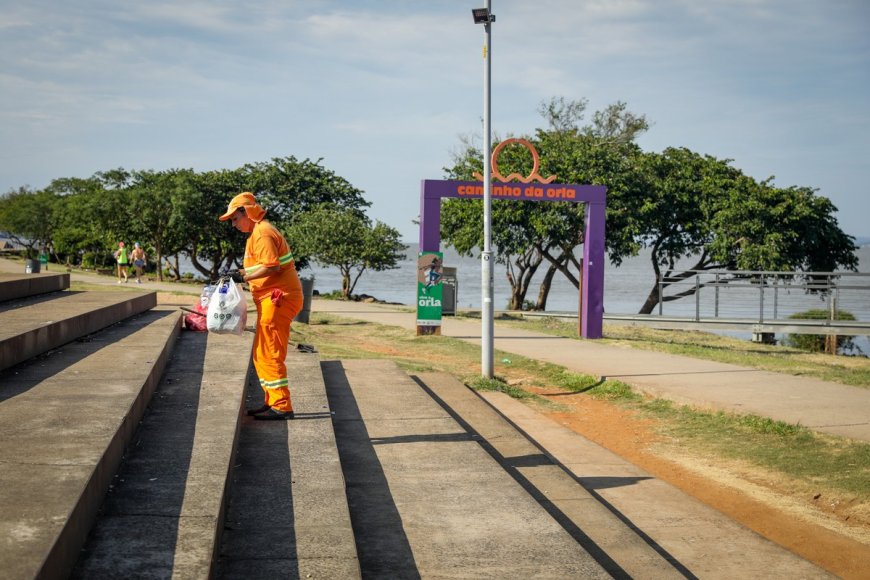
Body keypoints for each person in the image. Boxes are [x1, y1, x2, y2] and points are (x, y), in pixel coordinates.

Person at [219, 192, 304, 420]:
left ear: (245, 212)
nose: (234, 224)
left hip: (278, 299)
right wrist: (239, 273)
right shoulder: (257, 233)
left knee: (270, 352)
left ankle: (282, 406)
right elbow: (261, 267)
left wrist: (242, 278)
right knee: (261, 352)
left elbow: (272, 266)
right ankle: (273, 400)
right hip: (274, 299)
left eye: (235, 219)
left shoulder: (263, 233)